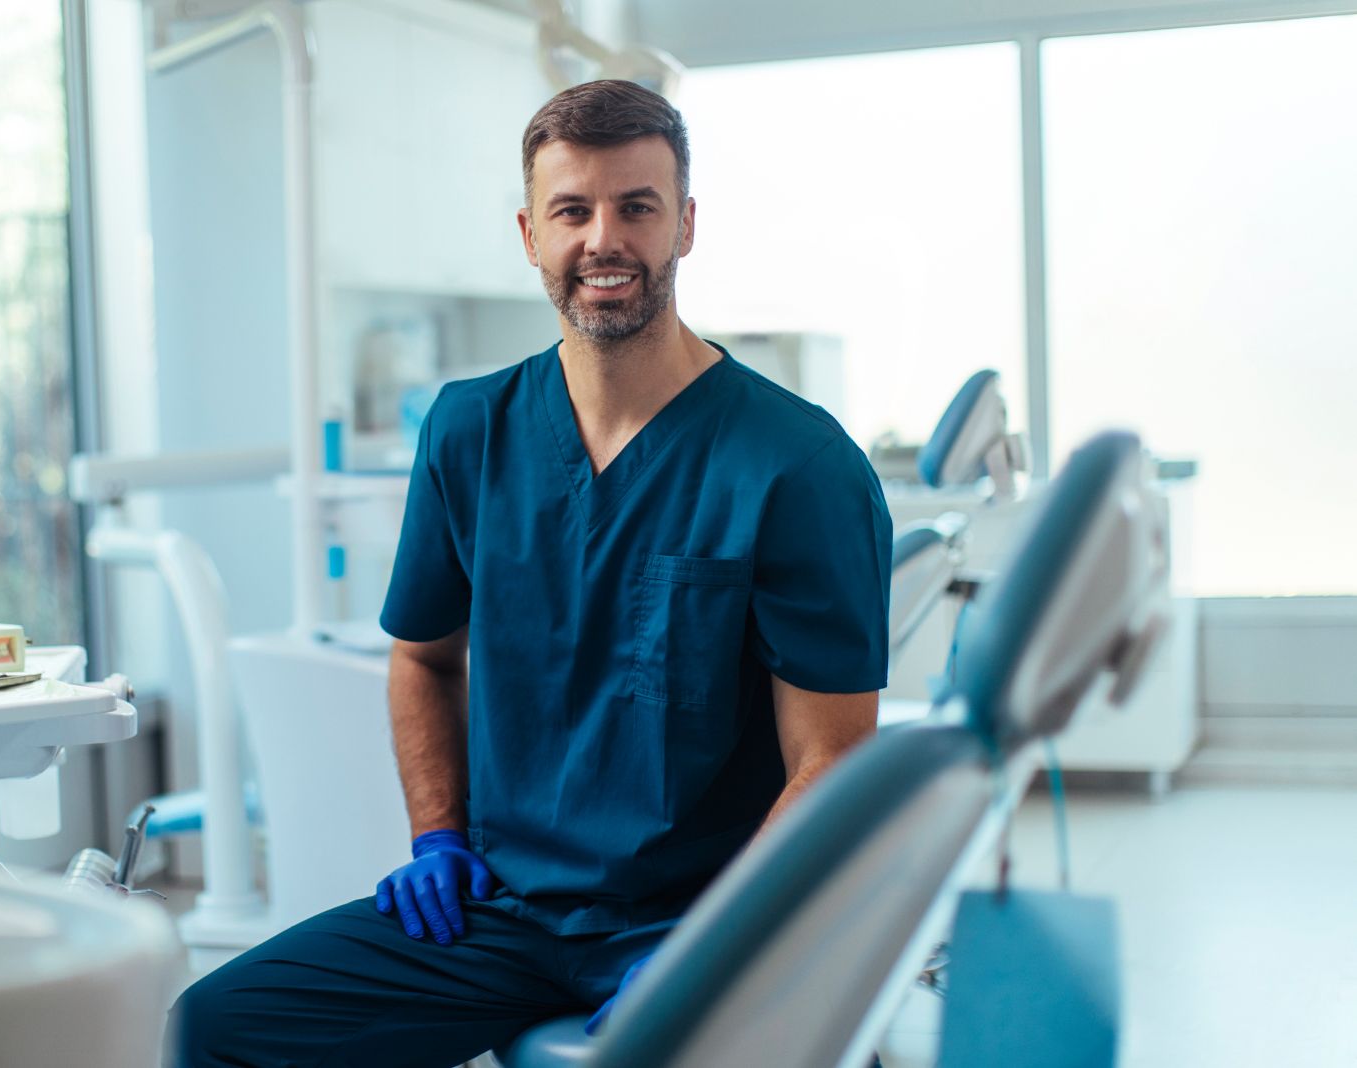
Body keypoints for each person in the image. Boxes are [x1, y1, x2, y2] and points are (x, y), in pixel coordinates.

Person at [176, 78, 891, 1068]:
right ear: (529, 232)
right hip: (505, 915)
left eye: (637, 207)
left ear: (685, 224)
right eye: (573, 210)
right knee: (212, 1028)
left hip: (697, 916)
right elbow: (424, 657)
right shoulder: (469, 431)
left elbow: (835, 757)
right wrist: (438, 838)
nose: (605, 239)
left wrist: (722, 936)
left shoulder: (795, 464)